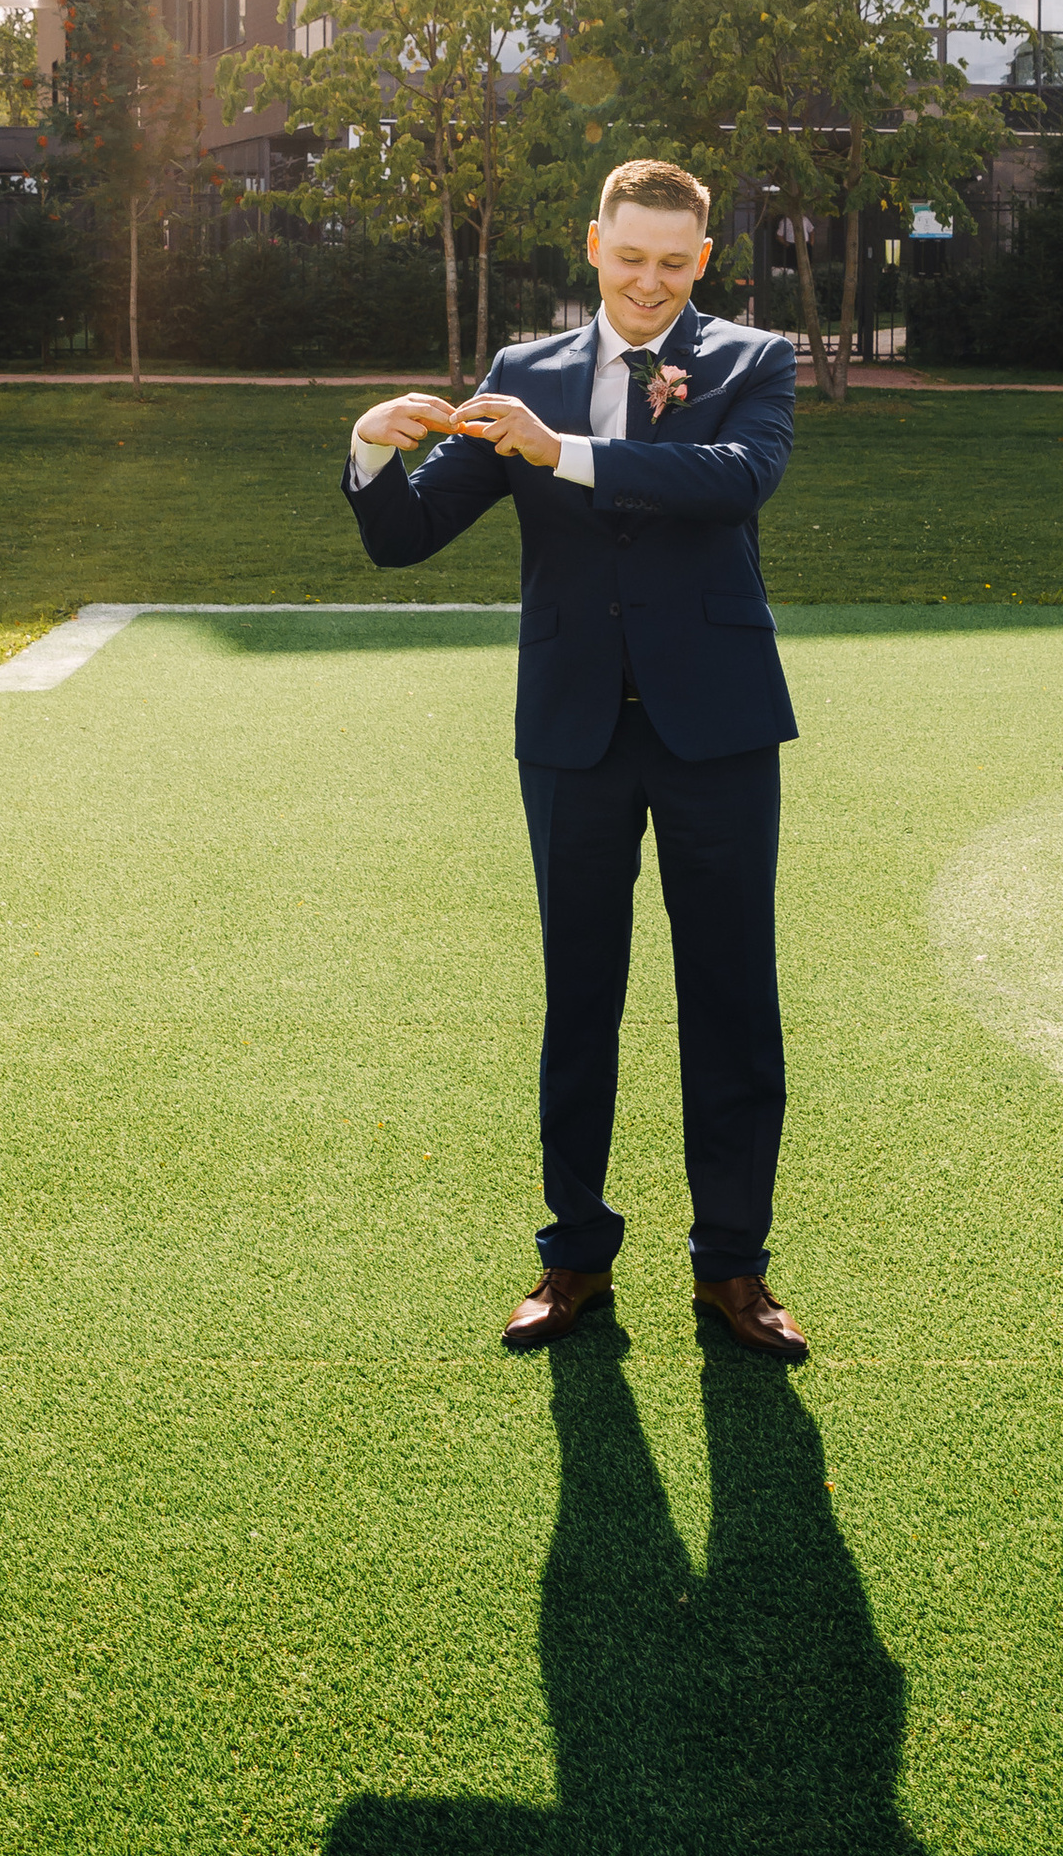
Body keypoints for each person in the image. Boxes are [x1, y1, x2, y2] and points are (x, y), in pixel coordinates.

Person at [345, 157, 808, 1363]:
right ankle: (572, 1256)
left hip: (716, 728)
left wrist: (567, 455)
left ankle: (735, 1267)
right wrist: (367, 448)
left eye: (674, 260)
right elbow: (408, 538)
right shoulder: (520, 373)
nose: (649, 280)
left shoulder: (752, 360)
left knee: (729, 1000)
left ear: (701, 261)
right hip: (570, 734)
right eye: (630, 254)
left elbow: (736, 480)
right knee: (578, 999)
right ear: (591, 244)